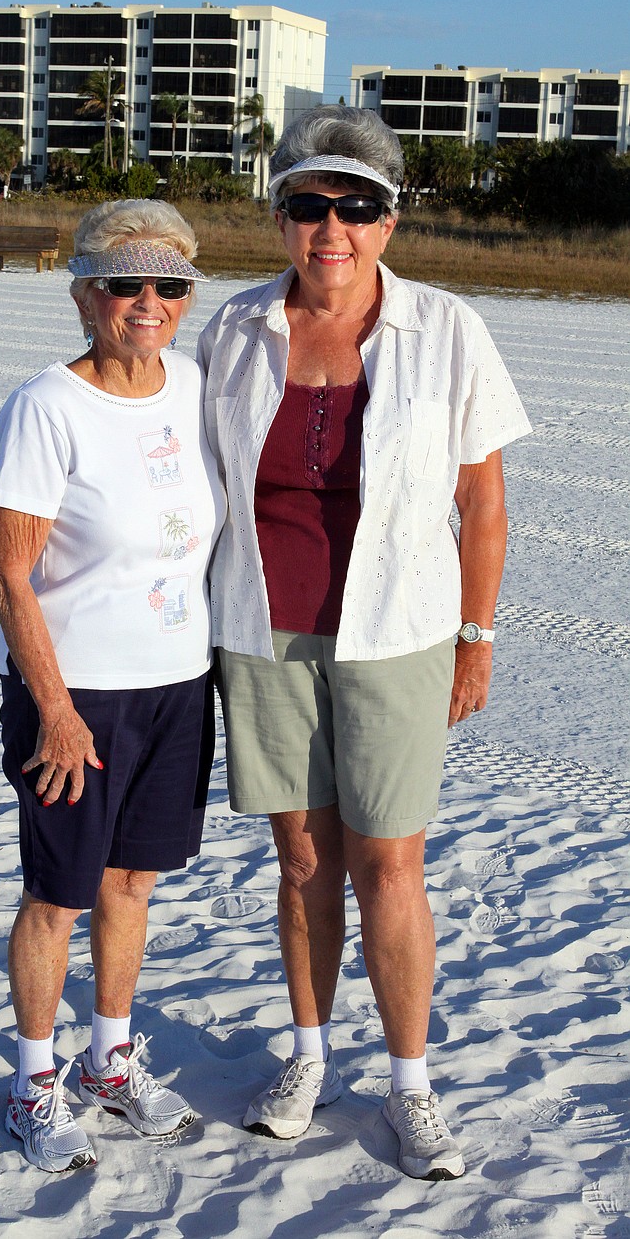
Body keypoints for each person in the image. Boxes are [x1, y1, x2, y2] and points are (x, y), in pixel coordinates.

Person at [197, 106, 531, 1181]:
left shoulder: (448, 329)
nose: (329, 227)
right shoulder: (234, 327)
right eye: (307, 204)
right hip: (262, 629)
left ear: (389, 221)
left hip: (399, 631)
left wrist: (476, 635)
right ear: (280, 217)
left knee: (390, 863)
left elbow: (481, 500)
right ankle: (307, 1056)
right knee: (302, 858)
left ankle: (409, 1084)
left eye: (356, 206)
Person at [0, 199, 226, 1173]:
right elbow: (9, 572)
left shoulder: (194, 385)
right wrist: (53, 710)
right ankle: (33, 1084)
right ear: (85, 294)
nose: (147, 302)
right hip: (75, 698)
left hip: (176, 687)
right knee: (59, 895)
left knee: (132, 884)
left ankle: (109, 1064)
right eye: (124, 283)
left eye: (169, 285)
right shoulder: (48, 404)